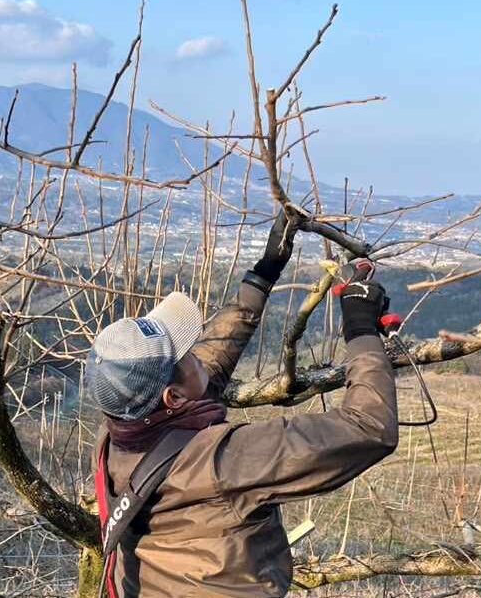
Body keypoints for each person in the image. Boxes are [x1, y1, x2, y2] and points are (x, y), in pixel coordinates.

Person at [86, 212, 398, 597]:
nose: (198, 353)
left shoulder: (116, 435)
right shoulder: (225, 462)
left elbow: (210, 361)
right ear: (173, 398)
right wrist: (361, 331)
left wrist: (264, 274)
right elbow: (368, 427)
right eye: (187, 354)